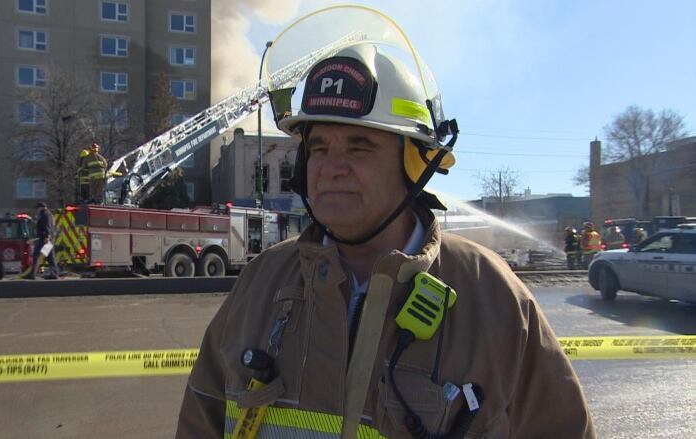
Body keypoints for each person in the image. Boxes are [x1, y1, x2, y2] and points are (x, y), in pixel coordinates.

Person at [177, 30, 594, 439]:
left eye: (359, 147)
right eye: (319, 147)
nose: (332, 167)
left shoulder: (494, 298)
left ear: (414, 165)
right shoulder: (260, 283)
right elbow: (201, 420)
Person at [25, 202, 59, 280]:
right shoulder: (48, 214)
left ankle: (32, 274)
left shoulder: (45, 215)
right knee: (50, 257)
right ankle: (54, 274)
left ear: (41, 207)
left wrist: (47, 237)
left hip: (44, 239)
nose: (37, 210)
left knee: (36, 255)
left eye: (37, 208)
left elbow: (47, 226)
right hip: (48, 239)